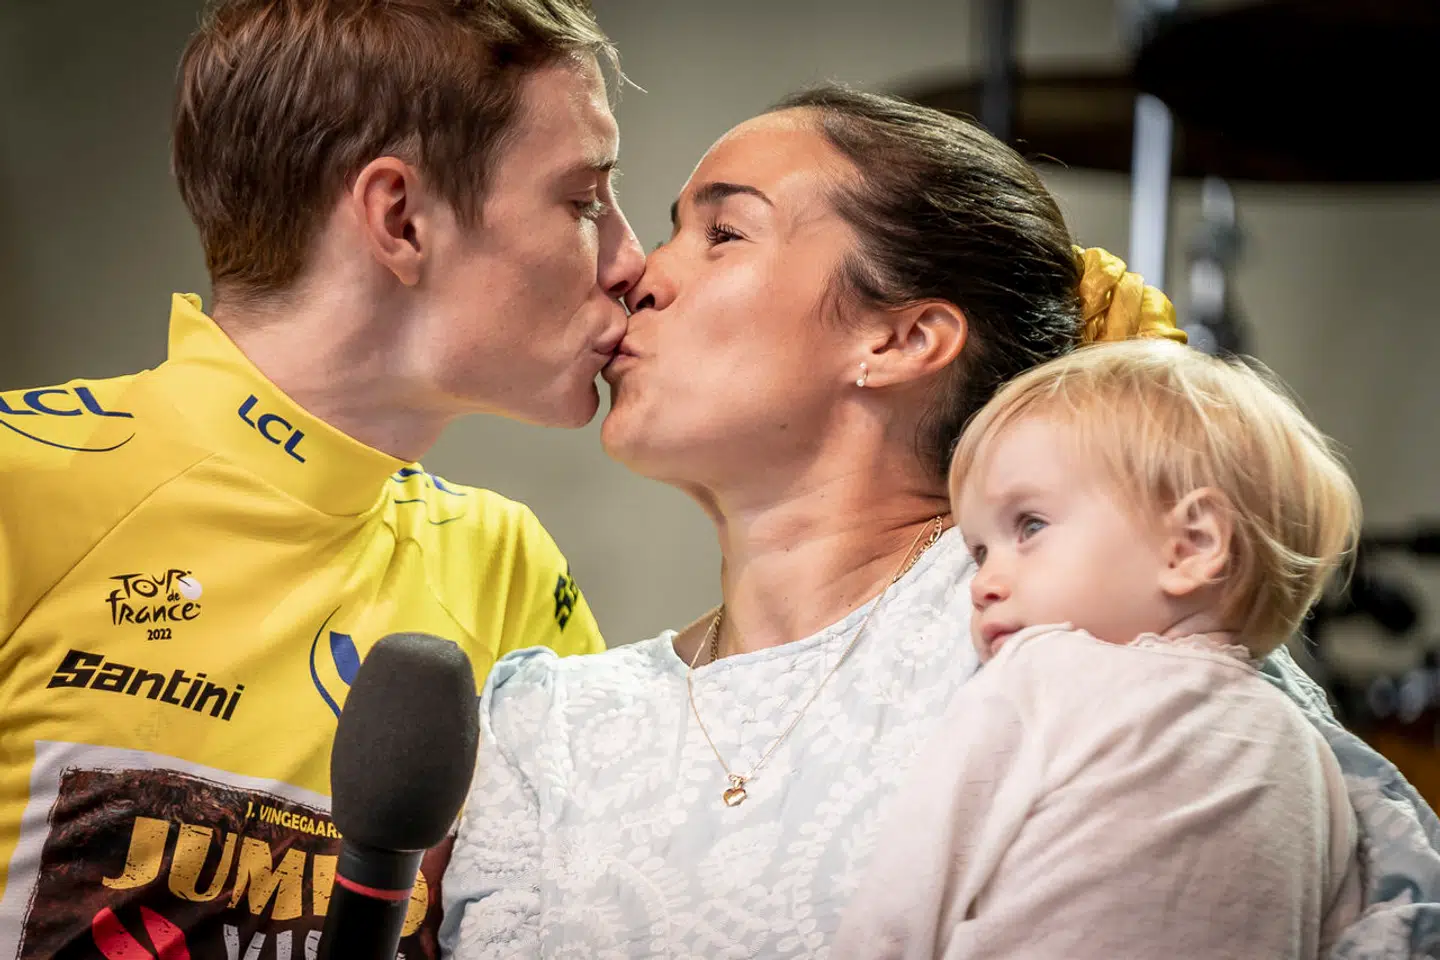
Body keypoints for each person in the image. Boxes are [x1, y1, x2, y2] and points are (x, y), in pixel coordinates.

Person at [441, 86, 1440, 958]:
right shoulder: (546, 724)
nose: (639, 275)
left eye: (724, 232)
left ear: (903, 336)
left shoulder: (1096, 630)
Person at [0, 0, 643, 956]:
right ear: (401, 218)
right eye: (585, 202)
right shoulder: (20, 482)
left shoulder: (505, 560)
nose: (630, 262)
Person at [835, 339, 1364, 959]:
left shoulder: (1043, 676)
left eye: (1029, 526)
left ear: (1191, 545)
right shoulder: (1316, 760)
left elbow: (904, 898)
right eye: (979, 552)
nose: (981, 584)